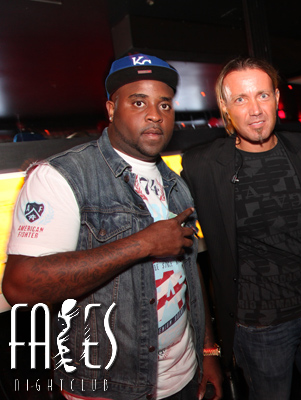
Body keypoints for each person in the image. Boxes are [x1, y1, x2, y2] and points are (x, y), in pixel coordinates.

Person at [2, 53, 222, 400]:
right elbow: (20, 285)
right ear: (111, 108)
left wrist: (208, 352)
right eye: (139, 102)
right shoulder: (62, 177)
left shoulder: (176, 184)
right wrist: (143, 244)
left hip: (183, 376)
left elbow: (189, 274)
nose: (155, 114)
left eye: (165, 105)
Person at [180, 57, 301, 399]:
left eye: (263, 95)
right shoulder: (203, 166)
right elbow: (181, 251)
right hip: (260, 328)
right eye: (241, 99)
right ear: (225, 107)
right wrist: (208, 346)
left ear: (277, 98)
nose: (255, 110)